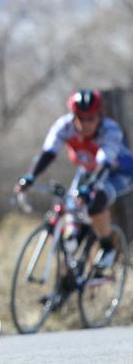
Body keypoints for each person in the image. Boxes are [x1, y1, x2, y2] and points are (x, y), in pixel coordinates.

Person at [15, 89, 133, 270]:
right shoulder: (64, 126)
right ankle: (64, 283)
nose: (85, 124)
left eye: (90, 118)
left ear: (99, 115)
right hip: (87, 170)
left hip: (117, 173)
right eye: (80, 118)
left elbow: (104, 163)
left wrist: (91, 189)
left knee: (95, 201)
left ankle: (108, 246)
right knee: (71, 213)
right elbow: (48, 153)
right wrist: (30, 176)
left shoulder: (110, 130)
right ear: (73, 115)